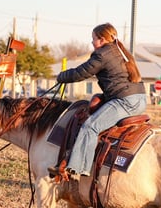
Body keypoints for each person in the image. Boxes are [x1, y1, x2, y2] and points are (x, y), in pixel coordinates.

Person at [51, 23, 147, 181]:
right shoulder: (120, 52)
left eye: (93, 39)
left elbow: (81, 73)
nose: (92, 43)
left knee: (90, 127)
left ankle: (77, 169)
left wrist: (61, 77)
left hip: (124, 101)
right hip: (139, 99)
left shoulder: (102, 54)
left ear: (101, 40)